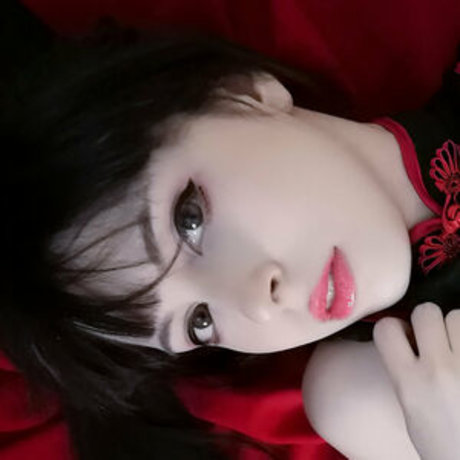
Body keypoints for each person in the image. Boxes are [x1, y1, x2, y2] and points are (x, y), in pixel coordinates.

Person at [1, 11, 460, 459]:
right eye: (199, 322)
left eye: (190, 220)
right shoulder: (362, 397)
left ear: (240, 93)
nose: (259, 304)